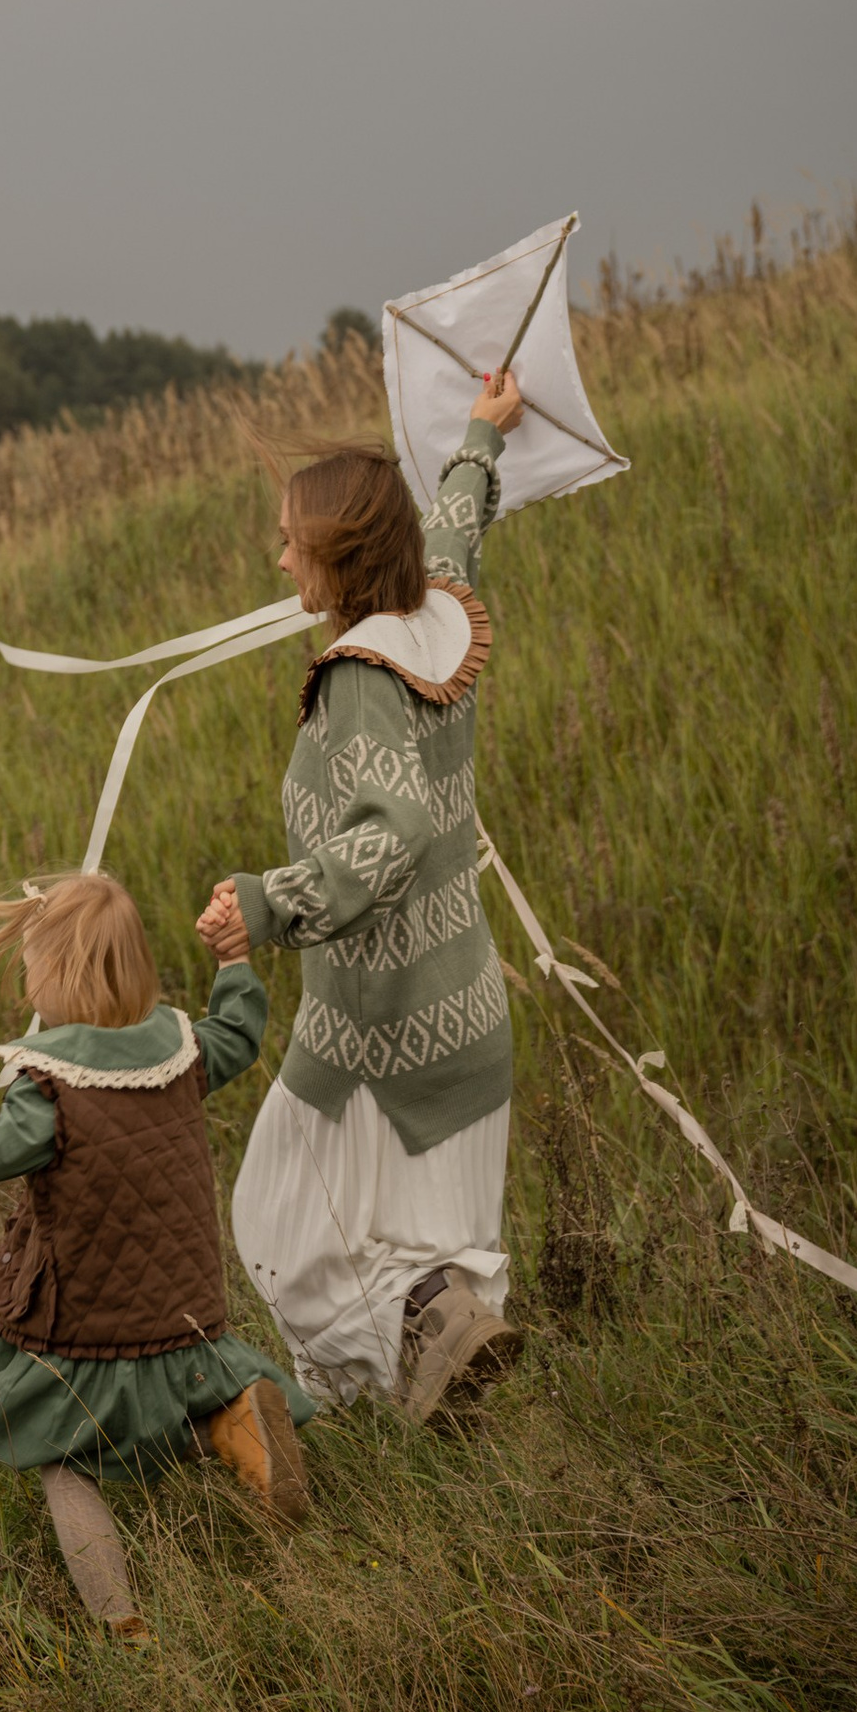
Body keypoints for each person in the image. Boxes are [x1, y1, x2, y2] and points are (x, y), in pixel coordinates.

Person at [0, 869, 313, 1647]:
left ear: (59, 977)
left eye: (31, 963)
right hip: (185, 1303)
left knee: (65, 1457)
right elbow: (239, 1035)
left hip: (89, 1313)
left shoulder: (50, 1087)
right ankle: (235, 1427)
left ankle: (119, 1623)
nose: (26, 978)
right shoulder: (181, 1048)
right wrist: (235, 966)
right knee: (169, 1403)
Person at [197, 366, 526, 1423]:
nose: (278, 555)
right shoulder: (435, 612)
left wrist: (265, 905)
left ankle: (418, 1328)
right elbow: (455, 530)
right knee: (433, 1250)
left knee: (282, 1230)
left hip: (377, 1035)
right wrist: (480, 433)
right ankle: (436, 1380)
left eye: (291, 540)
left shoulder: (356, 675)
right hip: (466, 1010)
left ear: (339, 552)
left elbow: (390, 837)